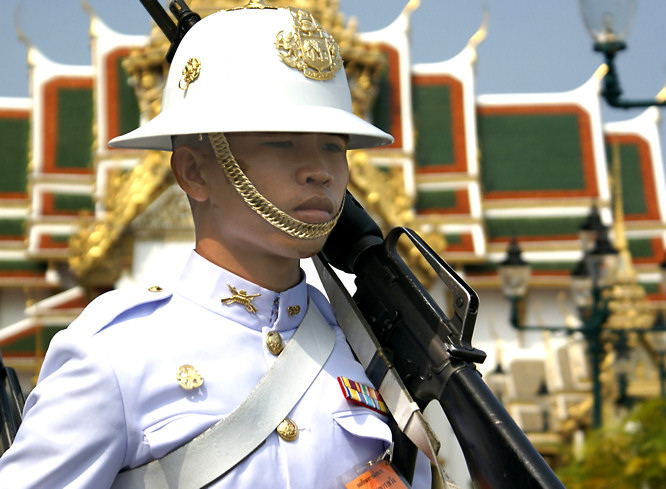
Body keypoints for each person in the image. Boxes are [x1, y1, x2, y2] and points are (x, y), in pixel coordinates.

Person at [0, 2, 434, 488]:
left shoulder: (365, 353)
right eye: (283, 141)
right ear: (195, 172)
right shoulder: (118, 355)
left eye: (334, 145)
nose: (320, 169)